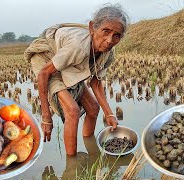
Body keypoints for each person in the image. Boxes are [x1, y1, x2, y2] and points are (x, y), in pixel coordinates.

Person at [24, 4, 129, 156]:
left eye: (117, 35)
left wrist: (109, 114)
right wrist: (46, 117)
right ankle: (71, 165)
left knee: (93, 109)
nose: (109, 40)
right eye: (105, 31)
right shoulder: (78, 47)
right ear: (92, 27)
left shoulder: (108, 53)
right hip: (47, 58)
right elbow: (44, 74)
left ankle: (91, 149)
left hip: (68, 63)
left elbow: (96, 82)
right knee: (72, 111)